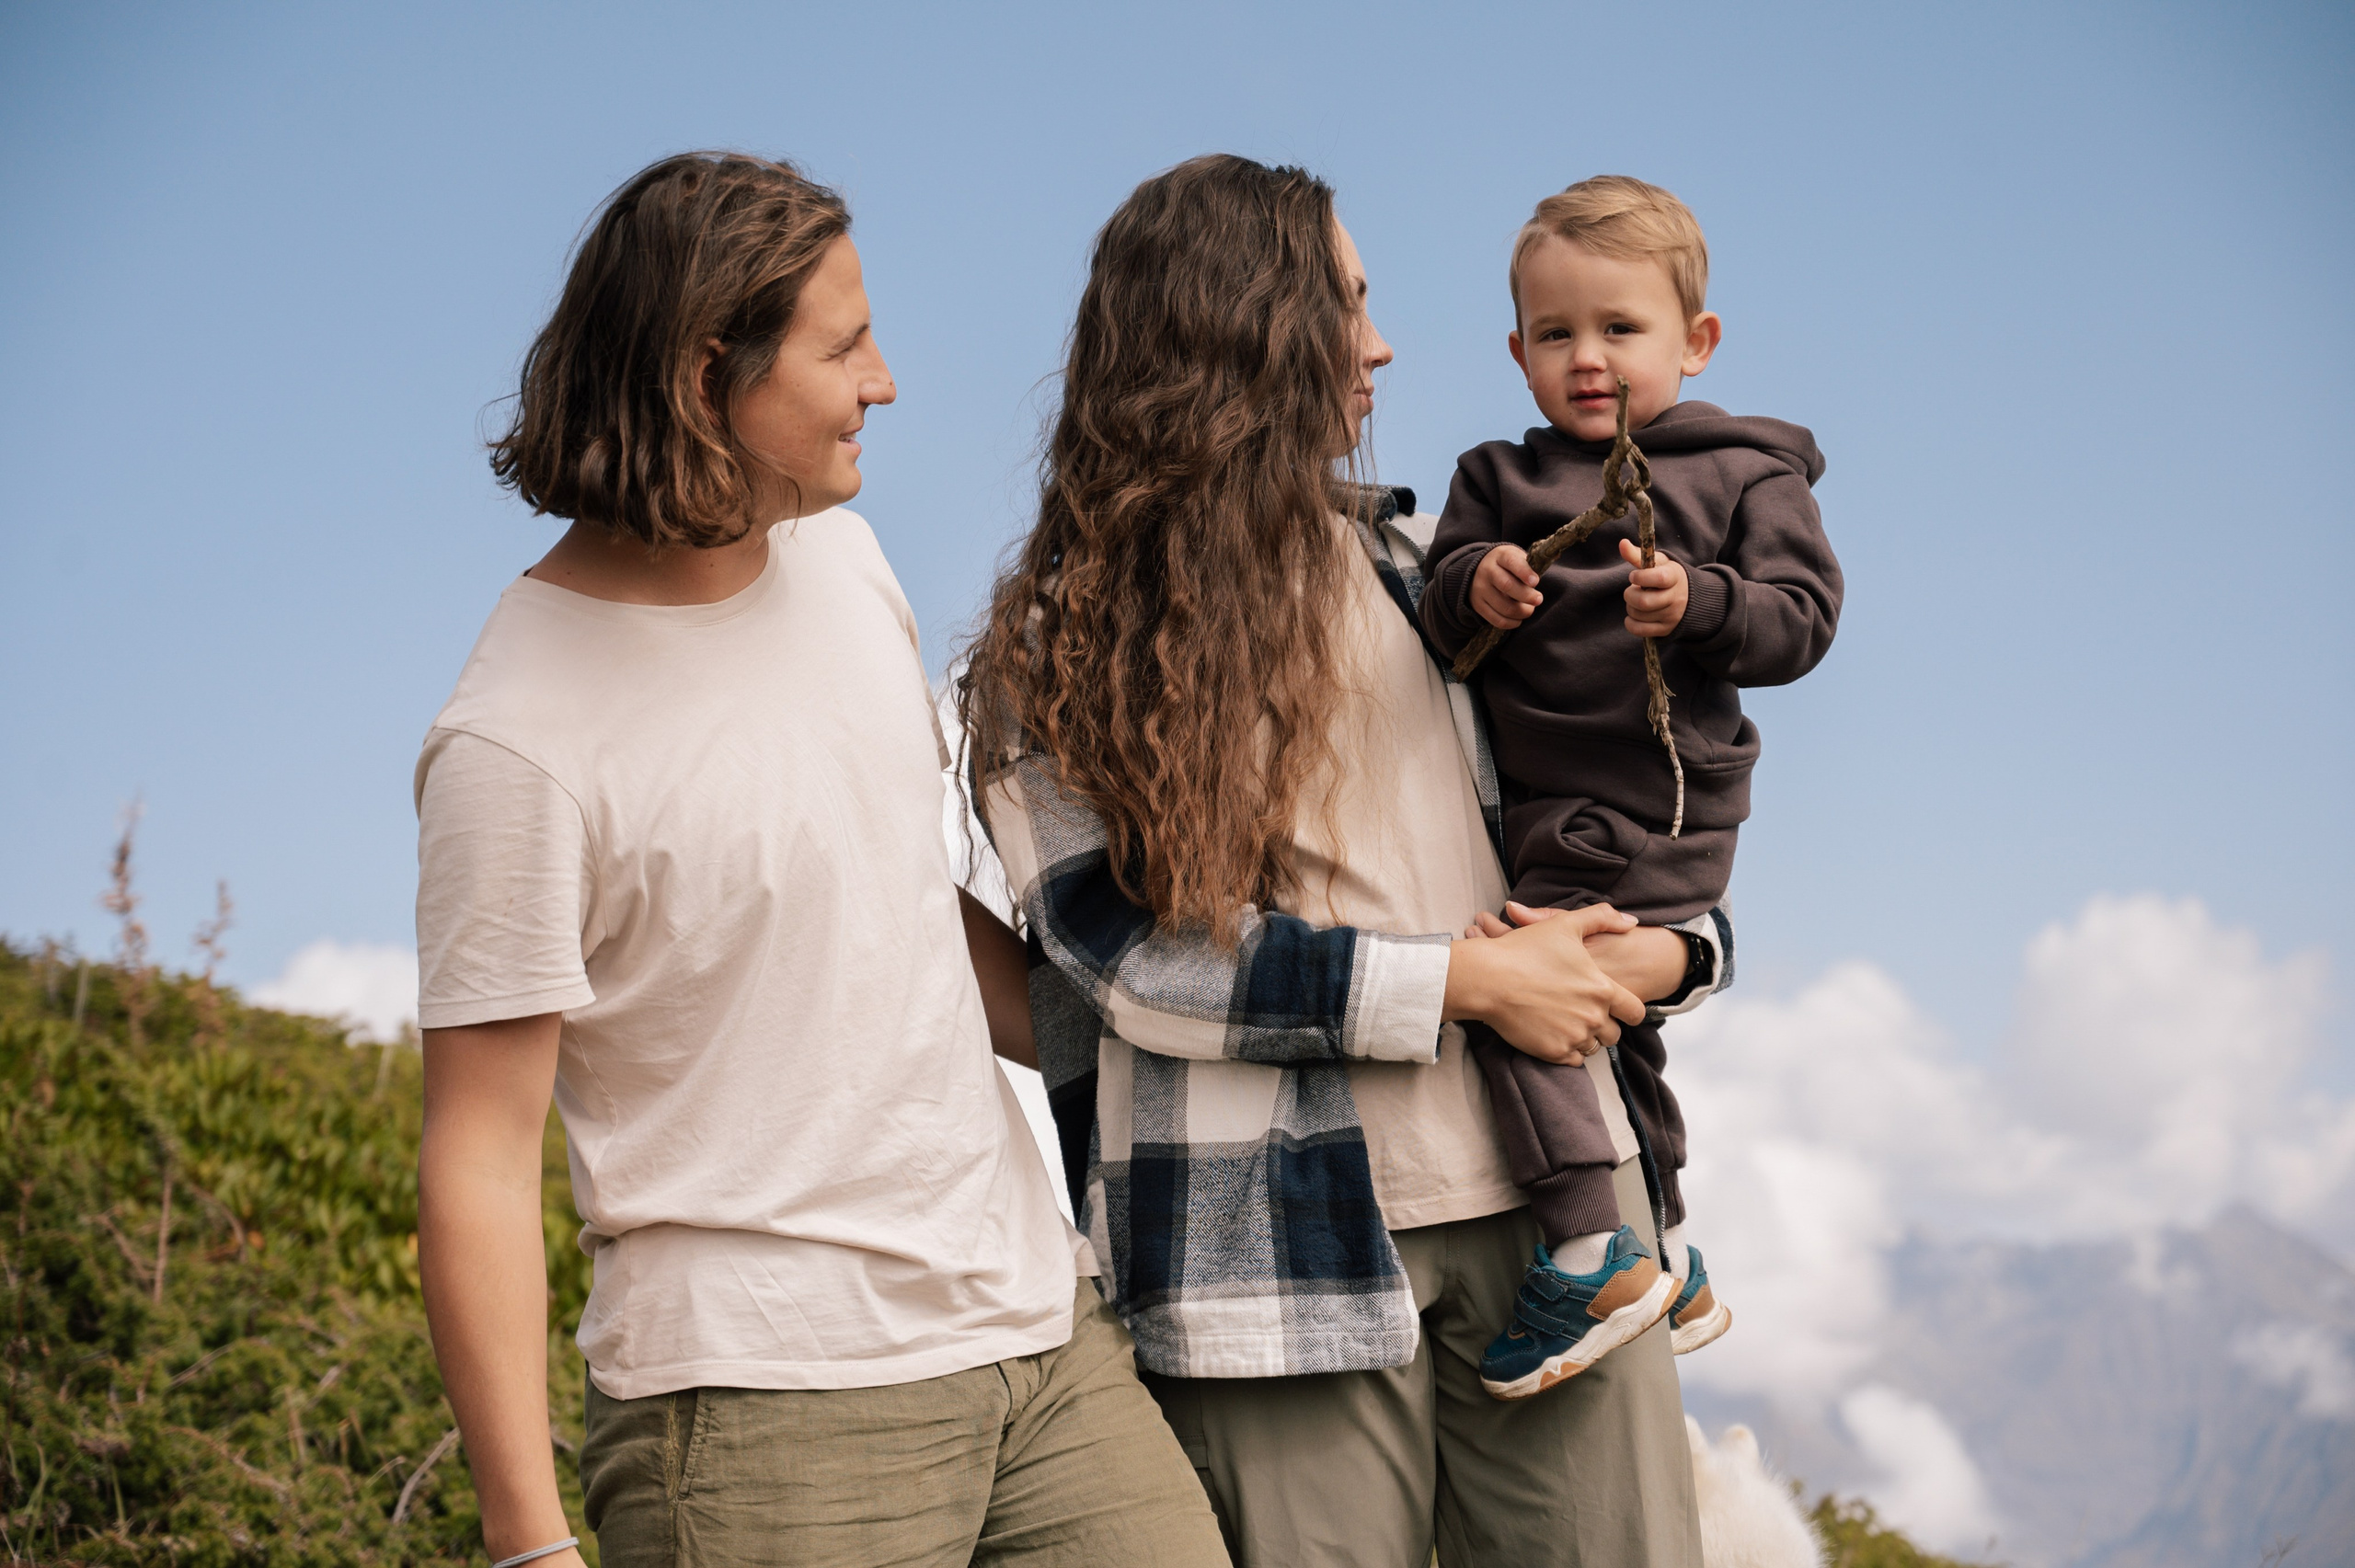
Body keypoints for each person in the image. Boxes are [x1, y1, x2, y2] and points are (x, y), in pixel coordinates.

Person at [412, 151, 1226, 1568]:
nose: (887, 380)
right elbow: (478, 1157)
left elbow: (900, 913)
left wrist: (1181, 1036)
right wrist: (527, 1543)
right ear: (700, 375)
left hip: (1035, 1335)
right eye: (844, 347)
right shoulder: (518, 742)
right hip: (759, 1415)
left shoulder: (846, 564)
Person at [961, 153, 1727, 1568]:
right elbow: (1141, 960)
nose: (1379, 344)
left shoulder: (1430, 567)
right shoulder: (1064, 642)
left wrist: (1686, 951)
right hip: (1262, 1245)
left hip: (1564, 1204)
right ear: (1239, 324)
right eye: (1345, 302)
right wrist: (1466, 987)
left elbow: (1639, 780)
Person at [1418, 175, 1844, 1398]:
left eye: (1620, 329)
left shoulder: (1745, 476)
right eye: (1556, 334)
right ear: (1517, 350)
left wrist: (1704, 603)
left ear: (1695, 343)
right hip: (1548, 809)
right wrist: (1479, 589)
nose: (1587, 358)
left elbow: (1803, 621)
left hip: (1653, 807)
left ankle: (1584, 1247)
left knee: (1519, 992)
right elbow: (1441, 612)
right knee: (1612, 1022)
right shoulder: (1501, 480)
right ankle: (1664, 1236)